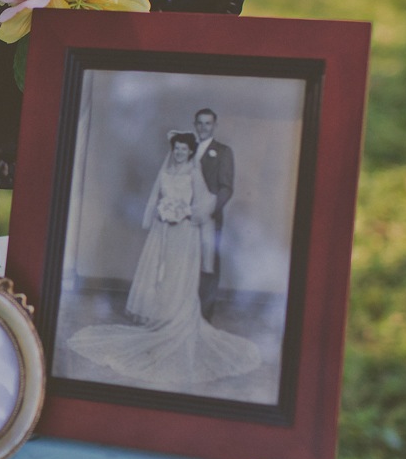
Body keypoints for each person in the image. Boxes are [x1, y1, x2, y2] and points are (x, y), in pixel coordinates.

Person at [66, 129, 260, 393]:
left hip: (186, 234)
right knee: (162, 276)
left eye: (183, 149)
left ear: (190, 151)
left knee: (181, 277)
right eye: (176, 148)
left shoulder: (194, 173)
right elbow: (155, 197)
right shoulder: (166, 170)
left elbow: (204, 204)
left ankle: (179, 322)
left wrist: (184, 212)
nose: (179, 153)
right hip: (163, 232)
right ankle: (162, 321)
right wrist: (159, 213)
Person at [194, 107, 233, 321]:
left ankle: (204, 317)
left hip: (210, 218)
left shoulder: (223, 152)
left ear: (214, 126)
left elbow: (227, 188)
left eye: (208, 123)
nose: (203, 127)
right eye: (200, 123)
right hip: (186, 220)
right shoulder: (187, 148)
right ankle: (183, 314)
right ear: (195, 125)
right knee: (186, 264)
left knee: (208, 267)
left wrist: (209, 209)